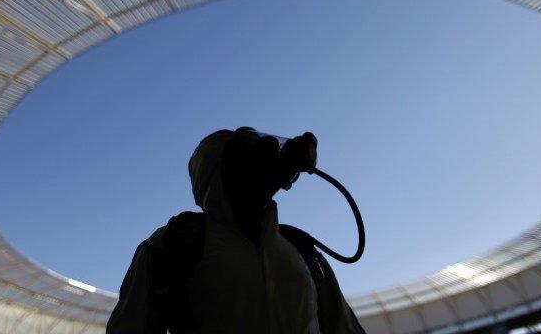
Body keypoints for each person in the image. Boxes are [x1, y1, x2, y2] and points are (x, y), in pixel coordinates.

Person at [107, 127, 366, 334]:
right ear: (218, 174)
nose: (267, 154)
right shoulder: (176, 241)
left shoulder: (301, 247)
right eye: (247, 153)